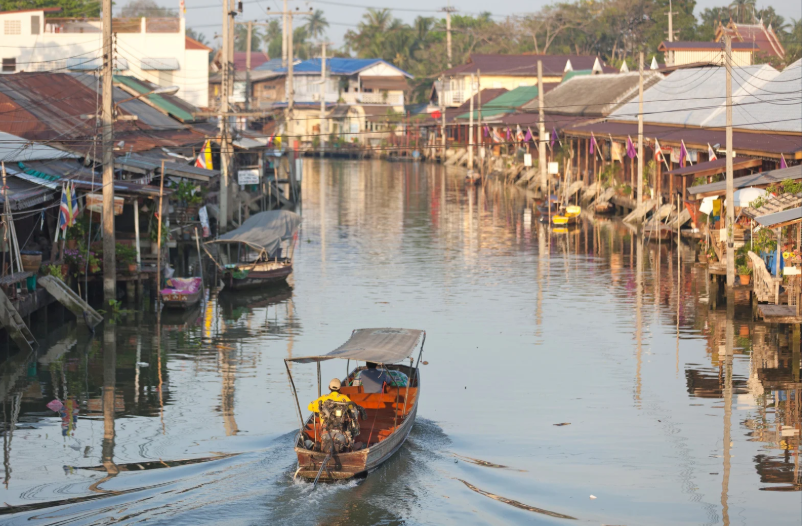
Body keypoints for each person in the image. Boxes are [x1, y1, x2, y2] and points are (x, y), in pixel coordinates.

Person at [307, 379, 367, 453]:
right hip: (341, 429)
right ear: (339, 388)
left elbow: (309, 407)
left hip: (326, 428)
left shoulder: (323, 398)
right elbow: (353, 409)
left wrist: (320, 407)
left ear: (329, 387)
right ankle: (351, 443)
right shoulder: (344, 398)